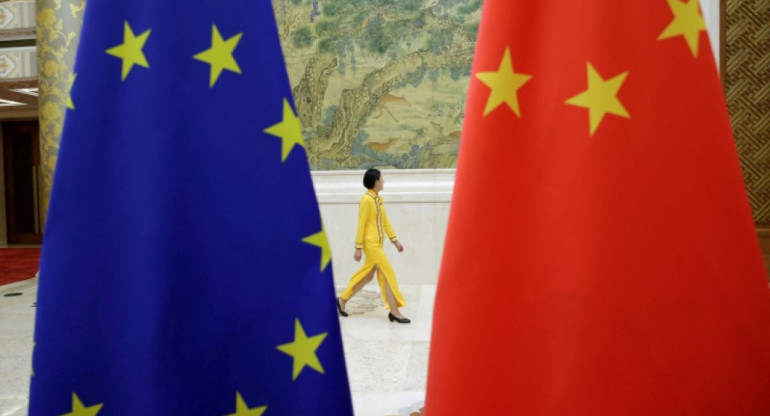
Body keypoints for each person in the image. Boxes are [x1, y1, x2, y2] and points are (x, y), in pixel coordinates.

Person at [337, 168, 410, 323]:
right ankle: (395, 311)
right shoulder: (366, 200)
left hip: (378, 244)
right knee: (388, 273)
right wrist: (358, 247)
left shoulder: (378, 199)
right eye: (381, 178)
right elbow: (361, 224)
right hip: (371, 245)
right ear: (375, 181)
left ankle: (342, 300)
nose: (383, 180)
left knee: (367, 275)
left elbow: (385, 222)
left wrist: (395, 240)